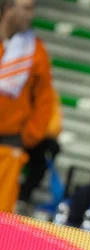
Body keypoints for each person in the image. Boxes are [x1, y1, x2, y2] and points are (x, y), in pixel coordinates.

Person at [0, 0, 54, 213]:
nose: (31, 15)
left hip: (9, 141)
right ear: (8, 8)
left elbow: (44, 99)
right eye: (27, 8)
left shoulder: (35, 50)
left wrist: (29, 136)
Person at [17, 88, 62, 212]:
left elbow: (54, 126)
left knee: (49, 150)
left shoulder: (48, 92)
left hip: (35, 139)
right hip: (14, 135)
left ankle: (23, 195)